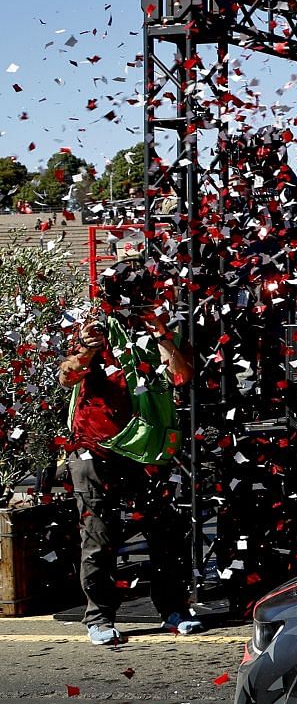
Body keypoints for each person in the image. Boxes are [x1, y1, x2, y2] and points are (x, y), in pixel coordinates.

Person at [58, 261, 195, 646]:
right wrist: (87, 350)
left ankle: (174, 610)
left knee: (165, 533)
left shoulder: (160, 328)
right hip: (95, 448)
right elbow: (66, 375)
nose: (139, 305)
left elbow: (181, 376)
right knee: (99, 535)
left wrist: (163, 336)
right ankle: (99, 617)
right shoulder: (94, 327)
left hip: (148, 451)